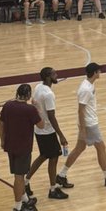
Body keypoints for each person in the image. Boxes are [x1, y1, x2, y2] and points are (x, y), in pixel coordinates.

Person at [58, 63, 106, 188]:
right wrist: (83, 129)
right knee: (101, 148)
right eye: (99, 71)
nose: (100, 73)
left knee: (79, 148)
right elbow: (80, 110)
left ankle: (61, 175)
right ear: (95, 73)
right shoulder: (86, 89)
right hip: (89, 124)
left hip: (87, 122)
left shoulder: (89, 85)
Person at [0, 83, 42, 211]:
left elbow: (1, 125)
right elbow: (41, 125)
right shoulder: (30, 109)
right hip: (23, 147)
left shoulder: (7, 105)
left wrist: (2, 141)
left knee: (19, 175)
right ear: (28, 95)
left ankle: (25, 199)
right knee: (19, 177)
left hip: (10, 145)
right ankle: (18, 208)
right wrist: (38, 108)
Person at [27, 67, 70, 200]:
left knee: (43, 156)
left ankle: (25, 182)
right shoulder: (49, 94)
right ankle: (53, 189)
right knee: (53, 158)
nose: (56, 75)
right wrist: (60, 135)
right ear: (47, 77)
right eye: (54, 74)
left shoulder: (38, 87)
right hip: (47, 131)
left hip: (38, 129)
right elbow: (51, 116)